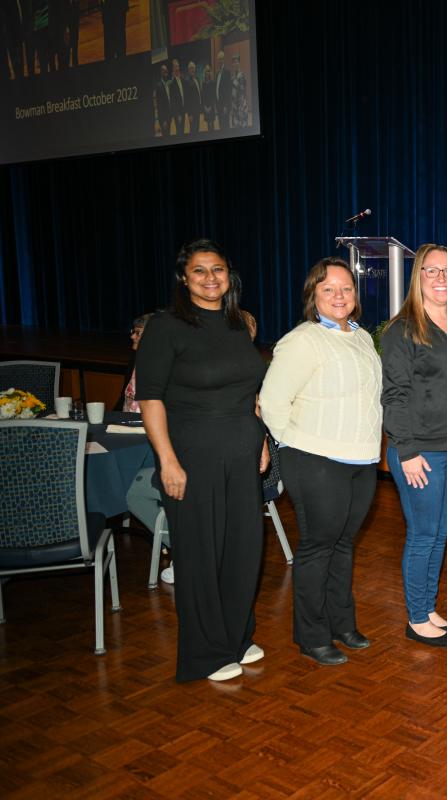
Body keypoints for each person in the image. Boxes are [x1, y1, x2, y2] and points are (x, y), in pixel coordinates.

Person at [135, 239, 268, 682]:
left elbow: (249, 390)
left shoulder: (238, 324)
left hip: (242, 453)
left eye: (218, 269)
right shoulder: (165, 327)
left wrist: (261, 440)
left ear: (229, 275)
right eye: (199, 271)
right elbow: (150, 398)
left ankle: (236, 636)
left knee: (243, 549)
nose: (211, 278)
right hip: (192, 457)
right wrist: (167, 461)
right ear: (183, 278)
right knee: (200, 554)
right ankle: (205, 653)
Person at [260, 258, 381, 666]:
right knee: (317, 547)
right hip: (315, 460)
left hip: (361, 460)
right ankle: (311, 635)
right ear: (313, 294)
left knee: (343, 545)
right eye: (328, 289)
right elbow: (271, 402)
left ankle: (342, 624)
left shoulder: (362, 337)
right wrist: (296, 448)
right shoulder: (302, 340)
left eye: (346, 288)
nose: (339, 296)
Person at [381, 244, 447, 648]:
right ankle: (416, 618)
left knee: (440, 534)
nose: (442, 279)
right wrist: (406, 450)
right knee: (423, 535)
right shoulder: (402, 328)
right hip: (420, 452)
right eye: (432, 271)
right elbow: (395, 395)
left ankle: (428, 608)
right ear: (417, 277)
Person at [120, 312, 152, 413]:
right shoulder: (135, 359)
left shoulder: (162, 367)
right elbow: (123, 397)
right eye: (133, 331)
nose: (132, 337)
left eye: (138, 333)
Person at [229, 53, 248, 128]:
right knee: (235, 126)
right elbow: (232, 91)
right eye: (234, 62)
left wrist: (241, 106)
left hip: (241, 105)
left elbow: (242, 90)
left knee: (242, 126)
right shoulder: (232, 76)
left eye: (237, 62)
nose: (235, 64)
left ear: (239, 63)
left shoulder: (242, 75)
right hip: (234, 105)